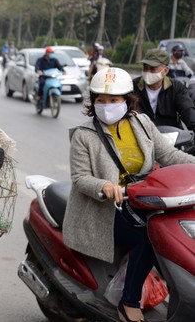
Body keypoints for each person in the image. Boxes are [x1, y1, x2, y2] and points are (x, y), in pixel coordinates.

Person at [62, 67, 195, 322]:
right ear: (93, 101)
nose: (107, 105)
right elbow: (80, 179)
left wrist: (192, 166)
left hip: (144, 199)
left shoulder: (142, 123)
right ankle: (128, 302)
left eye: (114, 100)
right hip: (106, 208)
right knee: (151, 237)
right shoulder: (83, 135)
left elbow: (168, 155)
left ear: (127, 100)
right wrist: (104, 187)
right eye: (101, 100)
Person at [133, 48, 195, 131]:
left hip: (172, 136)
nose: (147, 72)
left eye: (152, 69)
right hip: (142, 135)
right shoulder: (133, 86)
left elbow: (188, 112)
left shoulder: (176, 88)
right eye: (145, 68)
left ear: (165, 71)